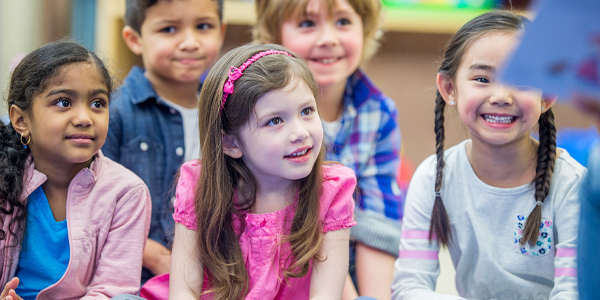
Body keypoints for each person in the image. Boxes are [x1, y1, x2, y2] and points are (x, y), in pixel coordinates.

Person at [391, 11, 586, 299]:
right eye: (482, 79)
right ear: (449, 89)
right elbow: (409, 287)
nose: (501, 96)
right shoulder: (433, 177)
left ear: (546, 96)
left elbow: (574, 292)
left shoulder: (571, 184)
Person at [168, 43, 357, 300]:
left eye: (307, 111)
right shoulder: (199, 186)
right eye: (275, 121)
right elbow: (183, 293)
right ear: (230, 143)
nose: (301, 133)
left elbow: (326, 295)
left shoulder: (332, 190)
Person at [253, 1, 402, 298]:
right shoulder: (254, 108)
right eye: (307, 24)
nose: (328, 38)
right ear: (275, 33)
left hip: (341, 268)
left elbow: (377, 220)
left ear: (365, 29)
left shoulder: (378, 112)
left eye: (343, 22)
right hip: (264, 262)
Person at [0, 40, 151, 300]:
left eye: (97, 103)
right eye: (63, 102)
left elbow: (114, 288)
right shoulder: (5, 178)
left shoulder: (127, 192)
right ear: (21, 120)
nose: (84, 118)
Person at [101, 0, 226, 283]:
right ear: (135, 39)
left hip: (212, 276)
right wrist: (153, 255)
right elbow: (89, 204)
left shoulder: (228, 112)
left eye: (203, 26)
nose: (190, 42)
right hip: (135, 279)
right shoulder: (113, 112)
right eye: (169, 29)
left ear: (221, 32)